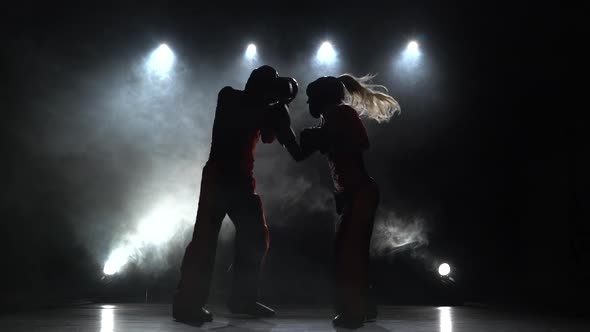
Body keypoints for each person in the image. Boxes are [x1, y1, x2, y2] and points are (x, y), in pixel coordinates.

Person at [173, 65, 302, 323]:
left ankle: (243, 298)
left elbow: (277, 141)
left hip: (242, 180)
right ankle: (186, 305)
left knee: (256, 235)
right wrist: (276, 109)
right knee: (204, 240)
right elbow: (247, 116)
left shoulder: (265, 109)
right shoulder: (230, 96)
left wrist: (281, 116)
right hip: (219, 175)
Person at [299, 74, 400, 328]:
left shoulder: (341, 113)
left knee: (349, 254)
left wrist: (324, 137)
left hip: (361, 193)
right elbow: (302, 152)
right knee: (352, 253)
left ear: (322, 98)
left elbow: (361, 143)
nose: (309, 102)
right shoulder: (331, 118)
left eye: (311, 97)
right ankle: (363, 306)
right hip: (355, 194)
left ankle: (354, 311)